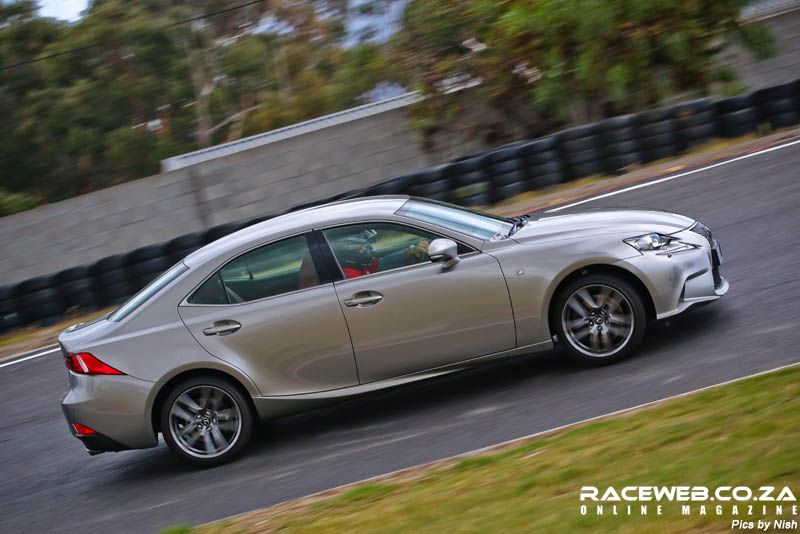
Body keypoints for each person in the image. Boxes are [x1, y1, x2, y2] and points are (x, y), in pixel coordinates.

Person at [337, 235, 430, 278]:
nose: (365, 250)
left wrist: (411, 251)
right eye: (359, 248)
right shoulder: (351, 274)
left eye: (364, 246)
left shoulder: (362, 265)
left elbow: (386, 262)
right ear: (348, 253)